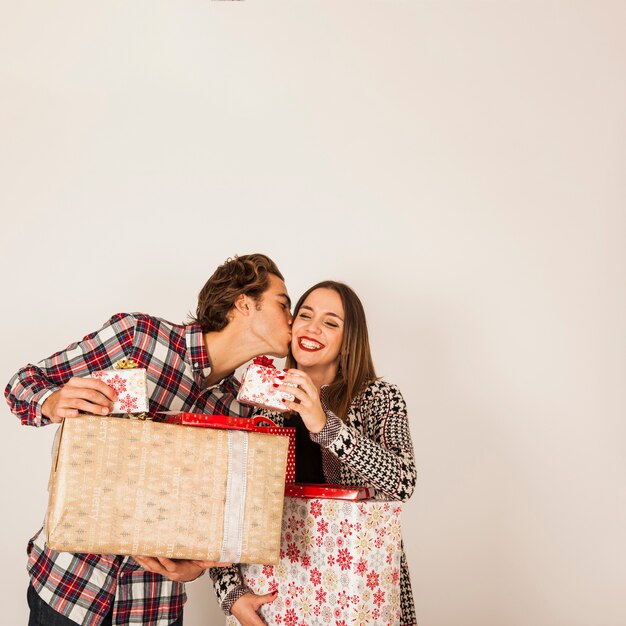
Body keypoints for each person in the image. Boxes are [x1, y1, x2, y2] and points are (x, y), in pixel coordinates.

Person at [5, 253, 292, 626]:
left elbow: (220, 525)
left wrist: (193, 566)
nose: (291, 318)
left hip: (152, 607)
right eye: (283, 304)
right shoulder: (139, 338)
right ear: (243, 303)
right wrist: (53, 400)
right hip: (69, 589)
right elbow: (22, 384)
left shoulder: (239, 410)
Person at [211, 280, 417, 626]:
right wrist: (231, 595)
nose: (313, 327)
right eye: (305, 315)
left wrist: (325, 426)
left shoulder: (379, 398)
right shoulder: (257, 398)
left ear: (348, 340)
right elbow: (224, 506)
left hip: (355, 591)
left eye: (331, 322)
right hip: (271, 597)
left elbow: (403, 482)